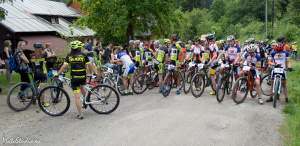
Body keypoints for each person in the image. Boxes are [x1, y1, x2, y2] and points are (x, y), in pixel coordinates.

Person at [57, 40, 97, 119]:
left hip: (74, 78)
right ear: (79, 47)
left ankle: (80, 114)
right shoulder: (83, 55)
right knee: (82, 86)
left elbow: (64, 66)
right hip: (82, 77)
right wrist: (93, 73)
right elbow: (90, 65)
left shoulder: (69, 56)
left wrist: (57, 74)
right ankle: (86, 100)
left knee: (77, 97)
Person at [266, 39, 289, 103]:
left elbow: (287, 61)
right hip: (275, 68)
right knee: (272, 83)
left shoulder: (286, 53)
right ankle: (270, 97)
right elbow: (269, 61)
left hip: (283, 69)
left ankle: (286, 98)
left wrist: (288, 67)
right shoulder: (273, 53)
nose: (279, 51)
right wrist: (273, 64)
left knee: (284, 84)